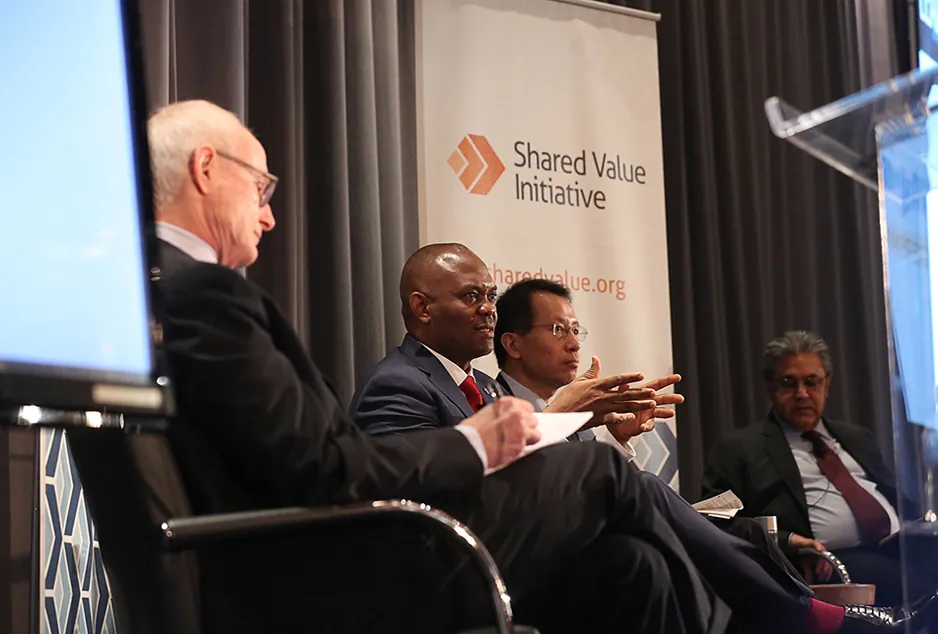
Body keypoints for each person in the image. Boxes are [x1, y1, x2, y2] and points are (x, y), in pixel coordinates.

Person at [149, 99, 932, 634]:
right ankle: (798, 617)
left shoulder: (167, 296)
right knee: (606, 477)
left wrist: (546, 424)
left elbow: (300, 460)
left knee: (629, 563)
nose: (270, 210)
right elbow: (323, 466)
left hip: (331, 551)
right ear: (208, 169)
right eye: (262, 184)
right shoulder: (203, 295)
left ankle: (792, 613)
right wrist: (481, 440)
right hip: (342, 570)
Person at [491, 277, 805, 583]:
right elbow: (524, 490)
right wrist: (563, 414)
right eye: (558, 330)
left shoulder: (568, 408)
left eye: (575, 330)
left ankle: (806, 610)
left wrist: (618, 436)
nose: (574, 345)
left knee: (748, 531)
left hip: (604, 535)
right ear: (513, 344)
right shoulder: (493, 406)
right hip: (553, 555)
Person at [702, 330, 938, 607]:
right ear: (770, 388)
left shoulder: (856, 437)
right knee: (919, 587)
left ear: (827, 385)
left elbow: (898, 500)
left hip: (902, 549)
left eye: (811, 382)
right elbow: (712, 521)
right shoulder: (740, 448)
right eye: (789, 383)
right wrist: (787, 542)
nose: (802, 394)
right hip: (831, 563)